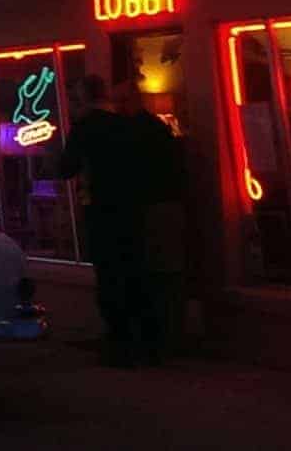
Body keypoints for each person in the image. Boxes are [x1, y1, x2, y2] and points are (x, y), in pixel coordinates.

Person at [57, 68, 181, 366]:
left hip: (102, 210)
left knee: (110, 275)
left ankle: (121, 340)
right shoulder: (128, 126)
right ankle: (149, 341)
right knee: (137, 271)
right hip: (136, 210)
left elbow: (66, 167)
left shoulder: (86, 127)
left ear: (84, 98)